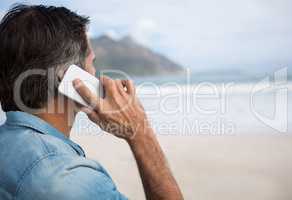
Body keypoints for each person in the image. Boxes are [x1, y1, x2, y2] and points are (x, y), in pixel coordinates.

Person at [0, 4, 183, 200]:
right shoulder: (68, 181)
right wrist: (141, 133)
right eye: (92, 63)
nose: (95, 74)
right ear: (69, 77)